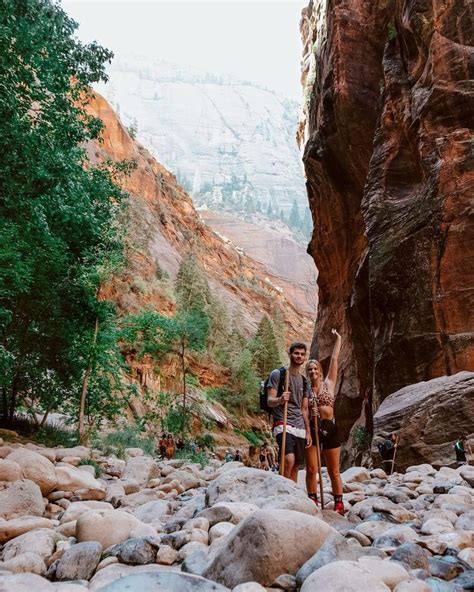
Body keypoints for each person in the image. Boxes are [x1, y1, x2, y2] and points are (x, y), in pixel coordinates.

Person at [305, 328, 344, 514]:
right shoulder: (306, 390)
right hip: (313, 429)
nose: (313, 371)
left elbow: (335, 359)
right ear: (308, 373)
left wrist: (338, 339)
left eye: (315, 368)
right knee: (312, 468)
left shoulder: (329, 383)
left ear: (320, 371)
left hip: (330, 427)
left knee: (333, 470)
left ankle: (339, 503)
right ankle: (312, 498)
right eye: (310, 369)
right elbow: (303, 410)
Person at [267, 341, 312, 482]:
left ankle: (292, 493)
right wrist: (280, 399)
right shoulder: (278, 374)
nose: (299, 356)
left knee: (297, 464)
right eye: (296, 353)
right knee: (288, 459)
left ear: (305, 357)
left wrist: (308, 431)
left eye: (302, 354)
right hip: (283, 421)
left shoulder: (304, 382)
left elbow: (304, 409)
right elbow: (269, 400)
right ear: (290, 354)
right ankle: (282, 489)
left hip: (299, 426)